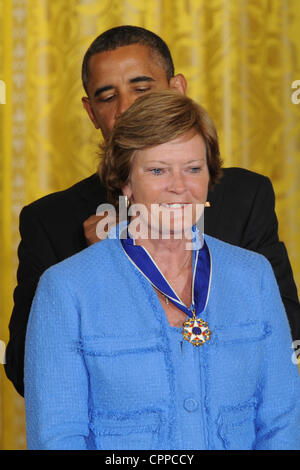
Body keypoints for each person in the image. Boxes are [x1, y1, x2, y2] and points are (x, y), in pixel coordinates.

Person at [5, 26, 300, 397]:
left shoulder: (243, 195)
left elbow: (288, 333)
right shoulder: (49, 220)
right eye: (107, 97)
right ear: (91, 113)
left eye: (142, 89)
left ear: (177, 89)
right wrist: (98, 265)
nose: (126, 108)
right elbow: (24, 370)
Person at [24, 90, 300, 450]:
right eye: (157, 170)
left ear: (209, 177)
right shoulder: (65, 289)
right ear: (126, 182)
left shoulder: (255, 276)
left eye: (193, 169)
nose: (179, 187)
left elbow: (281, 426)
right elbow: (57, 439)